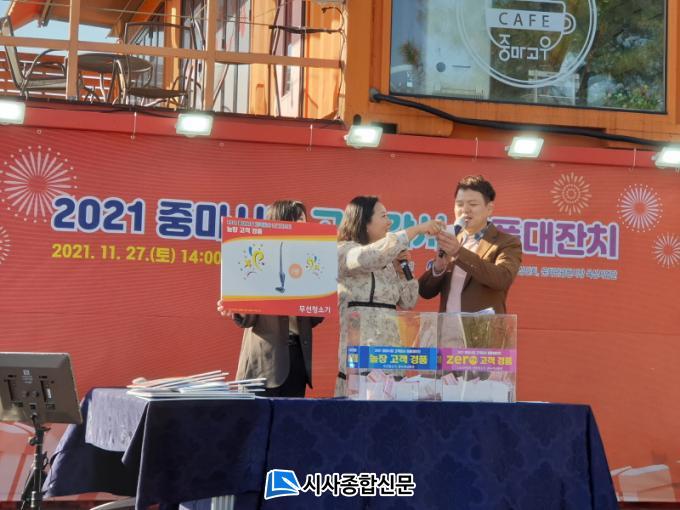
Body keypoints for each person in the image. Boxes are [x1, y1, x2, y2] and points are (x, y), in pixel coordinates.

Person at [335, 195, 443, 396]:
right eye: (383, 216)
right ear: (364, 222)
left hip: (391, 358)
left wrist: (402, 272)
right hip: (362, 358)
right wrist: (417, 230)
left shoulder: (388, 260)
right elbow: (368, 257)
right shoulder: (344, 251)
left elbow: (409, 301)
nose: (389, 222)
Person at [217, 200, 323, 397]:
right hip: (264, 362)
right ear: (279, 223)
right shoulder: (259, 259)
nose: (303, 225)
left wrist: (324, 293)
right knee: (257, 416)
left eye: (304, 220)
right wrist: (237, 307)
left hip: (297, 359)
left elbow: (315, 318)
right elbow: (248, 318)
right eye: (297, 220)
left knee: (290, 416)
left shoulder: (309, 261)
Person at [418, 175, 522, 314]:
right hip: (447, 327)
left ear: (489, 208)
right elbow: (425, 291)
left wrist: (458, 252)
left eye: (473, 204)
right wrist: (438, 267)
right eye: (459, 204)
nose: (465, 210)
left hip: (482, 328)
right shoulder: (452, 237)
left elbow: (502, 279)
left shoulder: (507, 242)